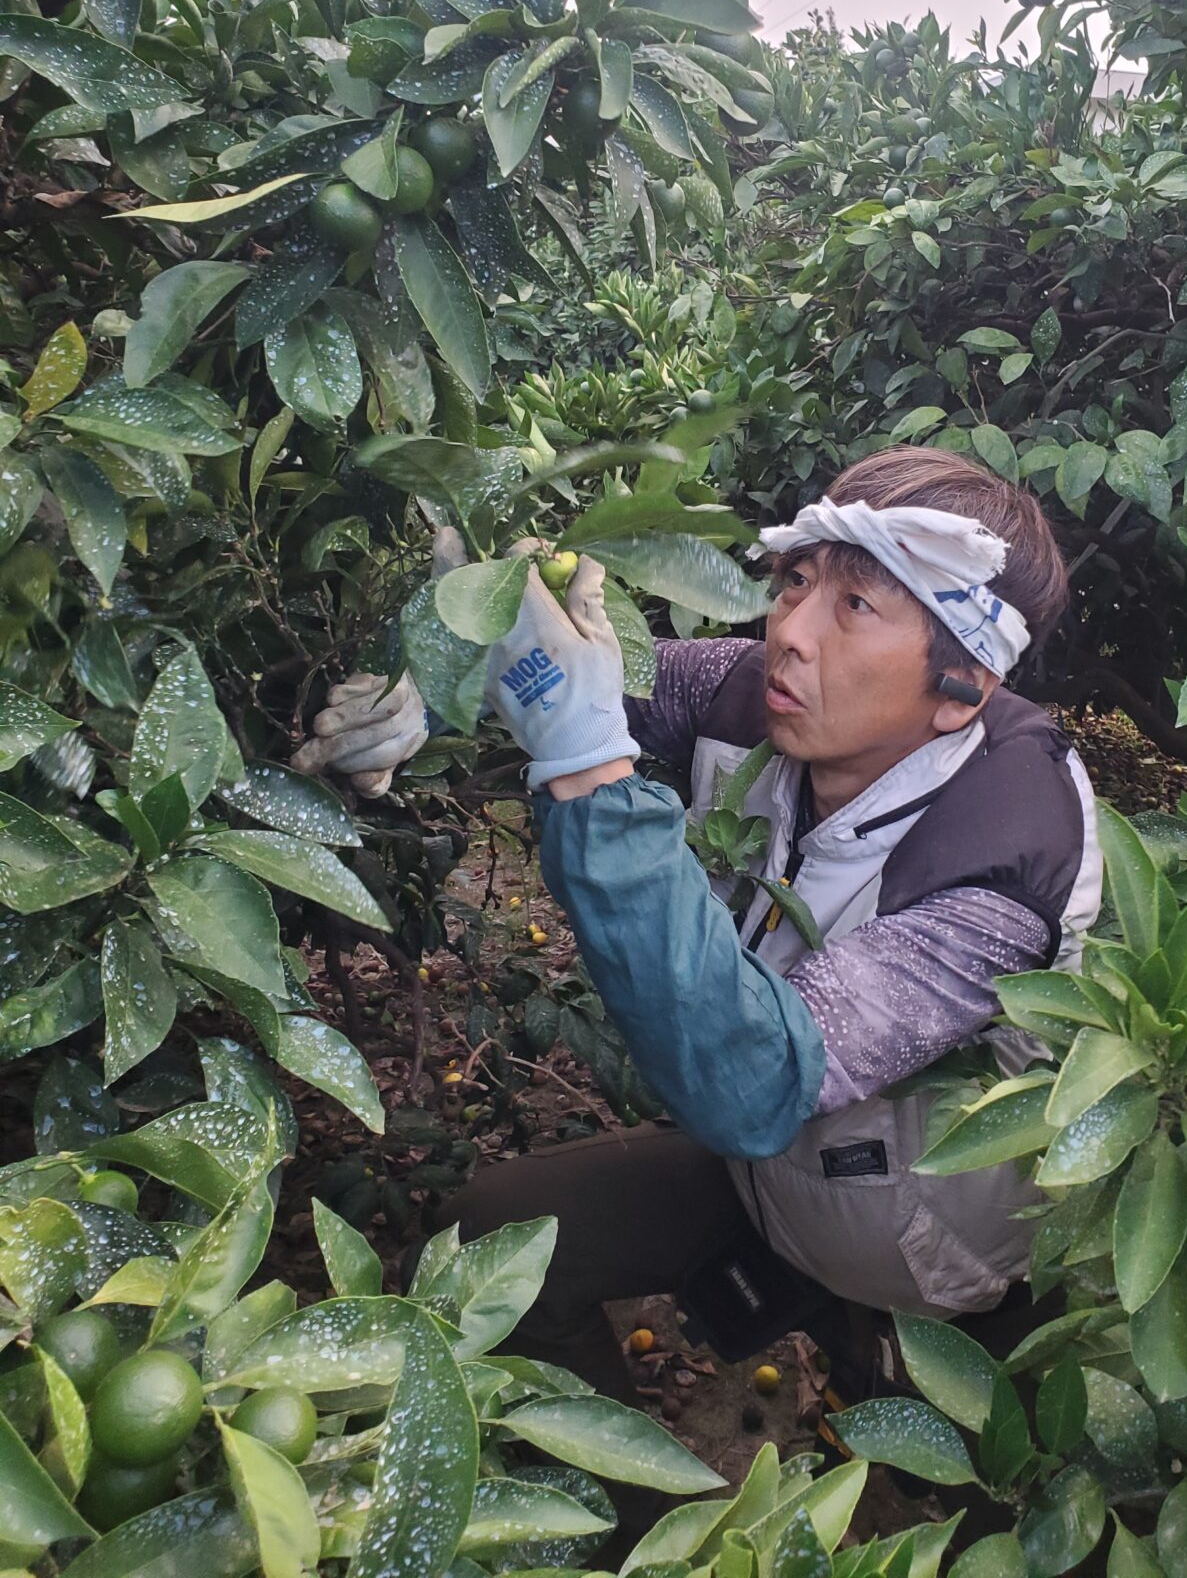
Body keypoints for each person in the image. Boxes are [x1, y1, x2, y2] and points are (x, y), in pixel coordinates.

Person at [295, 448, 1100, 1403]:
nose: (791, 633)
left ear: (963, 683)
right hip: (770, 1189)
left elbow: (754, 1080)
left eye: (857, 607)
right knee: (483, 1243)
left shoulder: (1004, 854)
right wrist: (428, 685)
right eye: (798, 581)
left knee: (928, 1504)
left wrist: (589, 765)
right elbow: (574, 680)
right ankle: (615, 1518)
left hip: (928, 1259)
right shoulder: (749, 690)